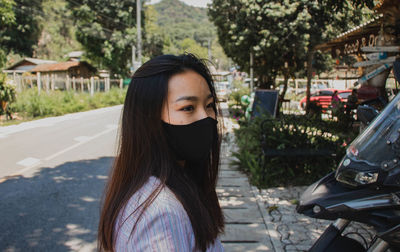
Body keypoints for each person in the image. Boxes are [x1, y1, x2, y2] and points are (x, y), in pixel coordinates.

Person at [98, 54, 225, 252]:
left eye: (209, 105)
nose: (206, 117)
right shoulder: (160, 214)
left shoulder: (176, 183)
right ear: (148, 119)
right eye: (188, 107)